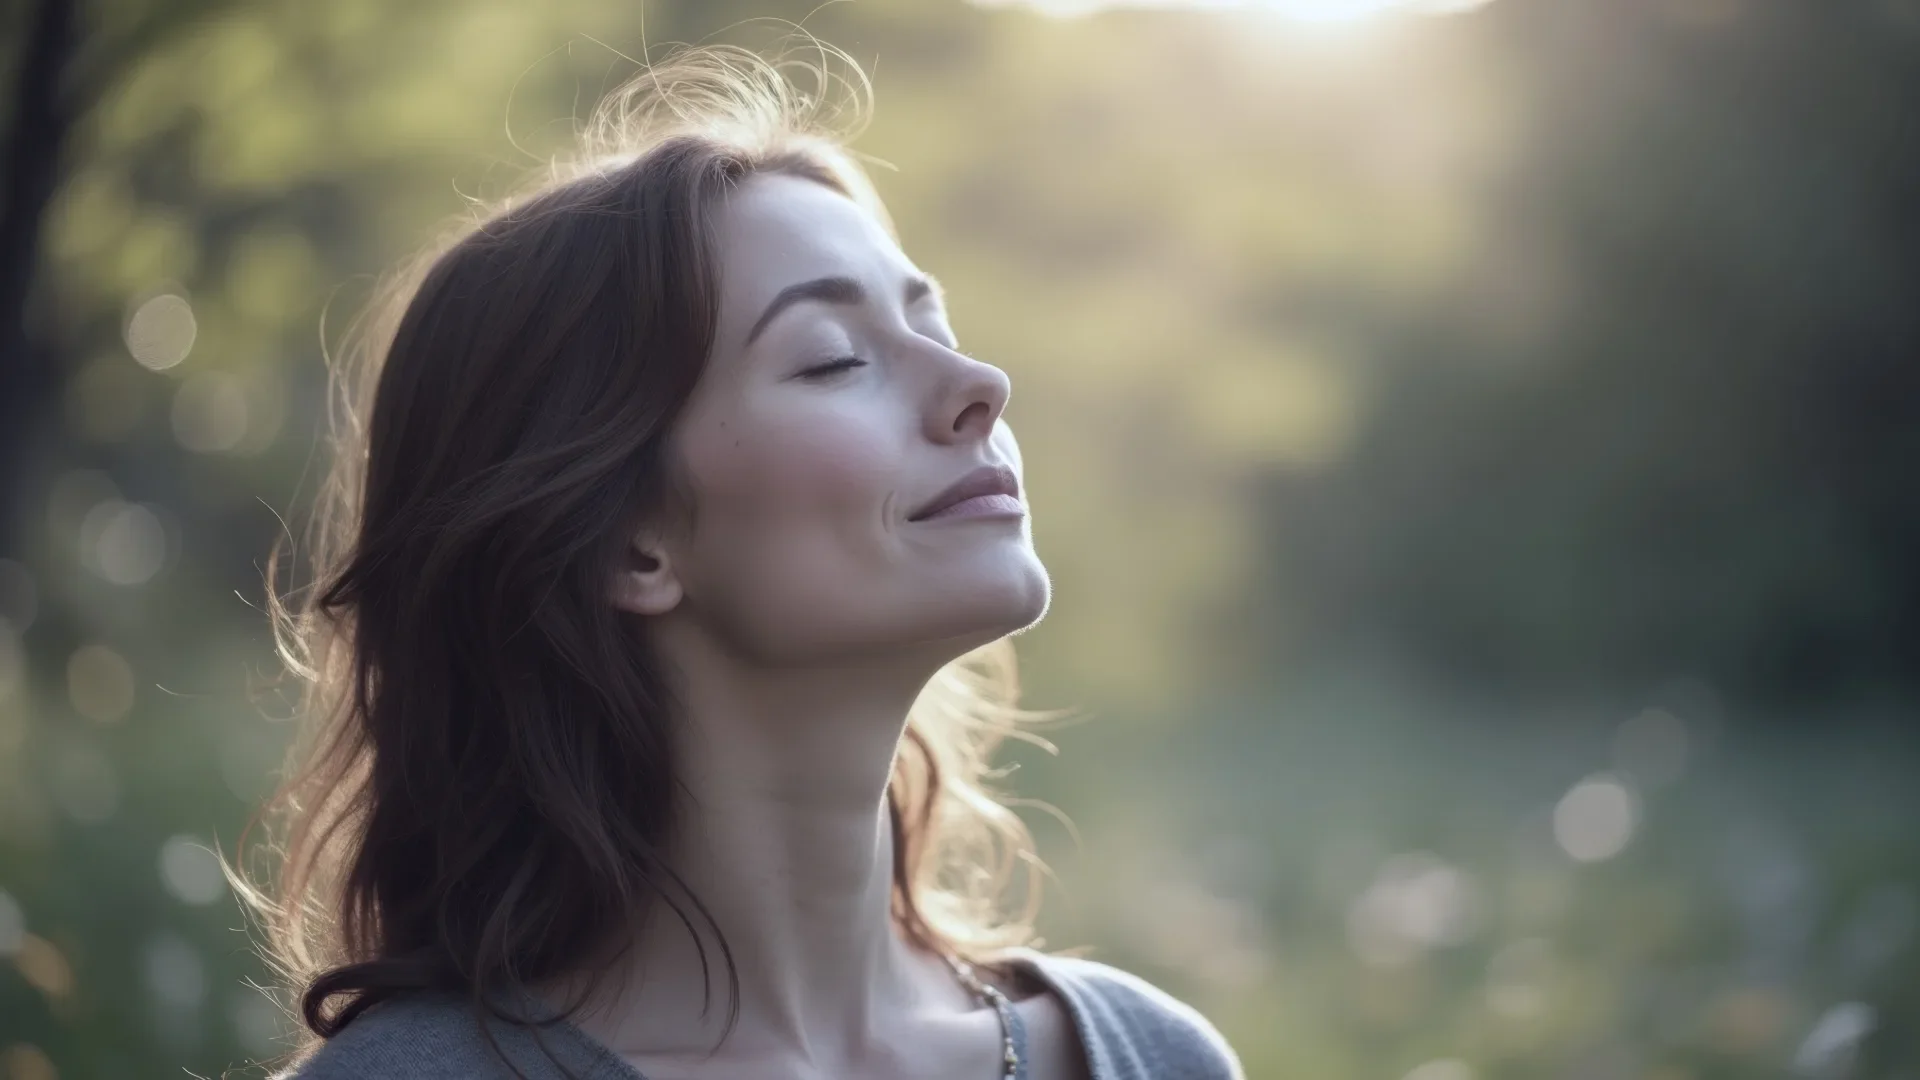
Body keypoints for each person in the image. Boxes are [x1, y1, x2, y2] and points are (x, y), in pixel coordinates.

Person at [238, 39, 1244, 1080]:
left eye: (933, 323)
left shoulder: (1155, 1058)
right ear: (630, 543)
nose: (979, 381)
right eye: (835, 358)